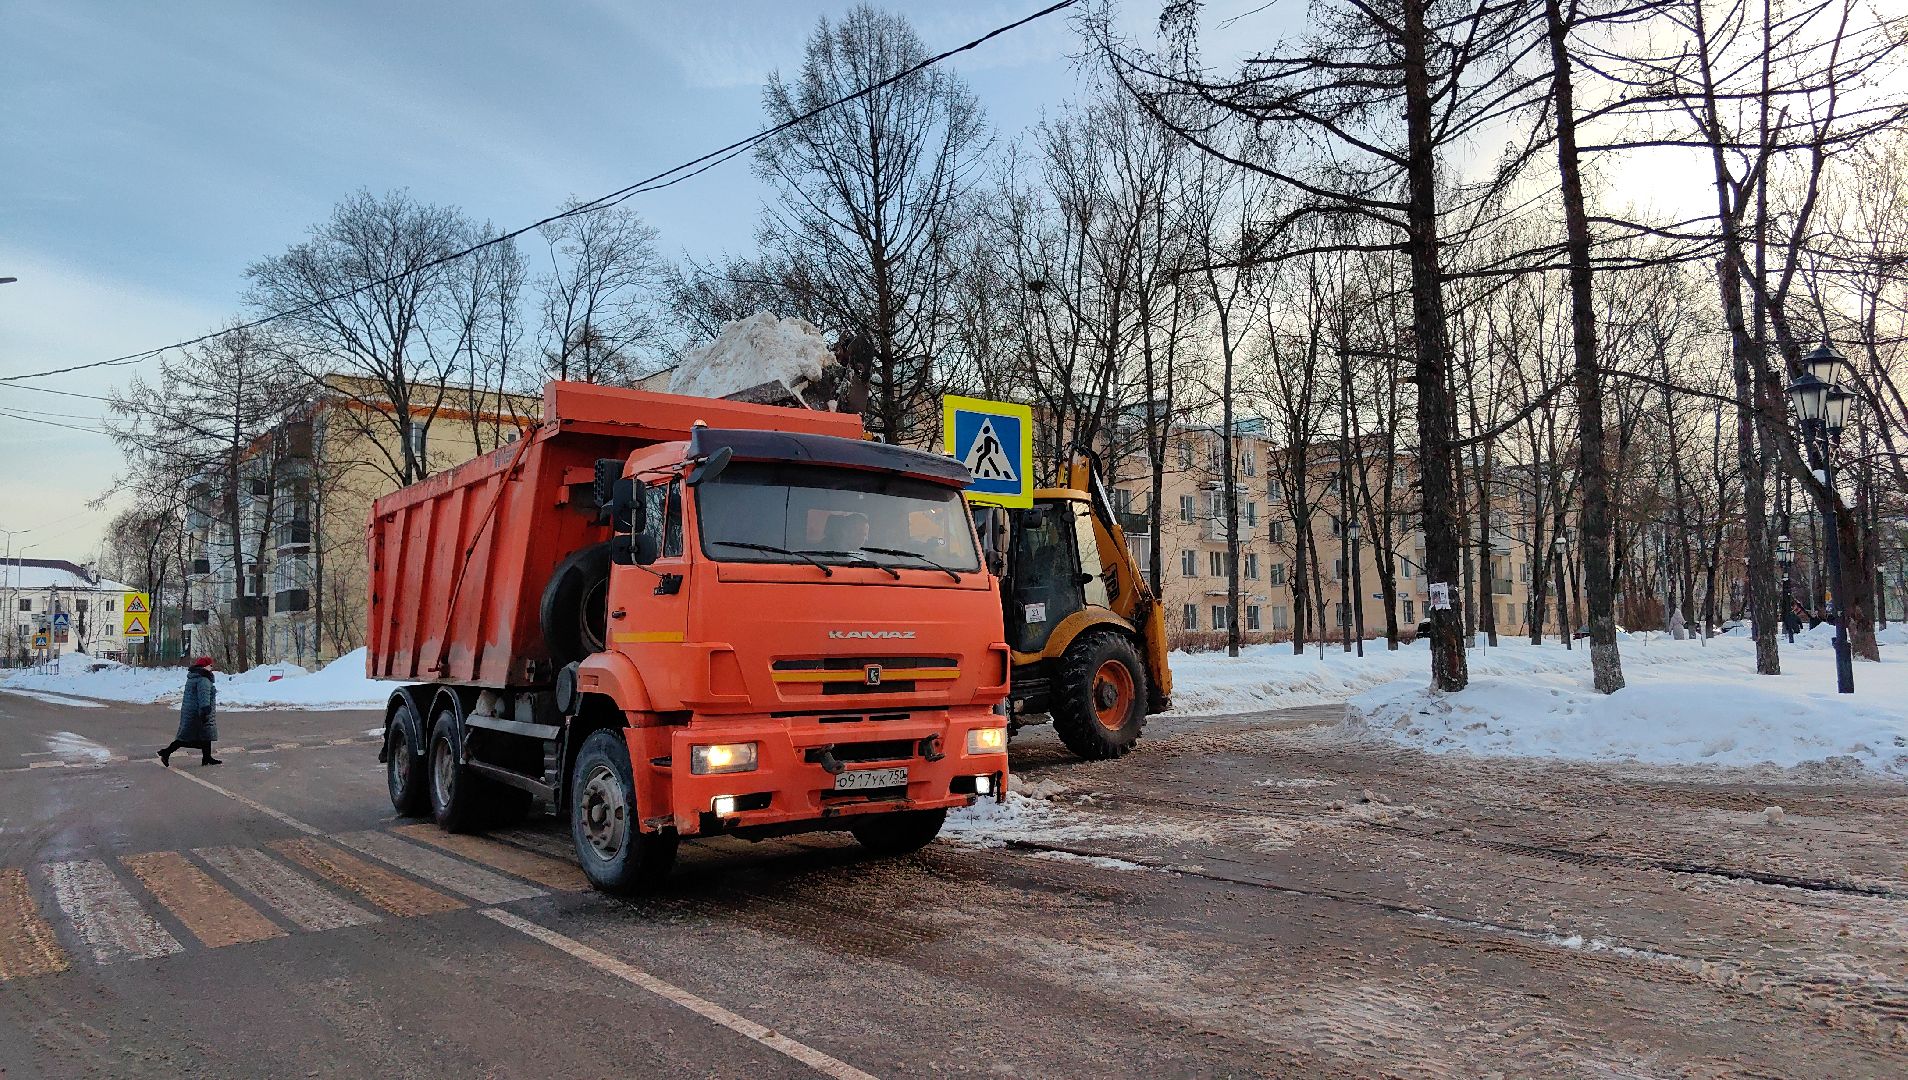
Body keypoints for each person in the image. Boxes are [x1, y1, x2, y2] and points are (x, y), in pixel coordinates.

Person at [159, 656, 220, 767]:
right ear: (205, 666)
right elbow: (204, 696)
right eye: (210, 665)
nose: (212, 667)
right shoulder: (203, 679)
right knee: (187, 737)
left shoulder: (194, 677)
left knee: (205, 735)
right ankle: (166, 752)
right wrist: (205, 710)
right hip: (198, 712)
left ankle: (207, 758)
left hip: (191, 711)